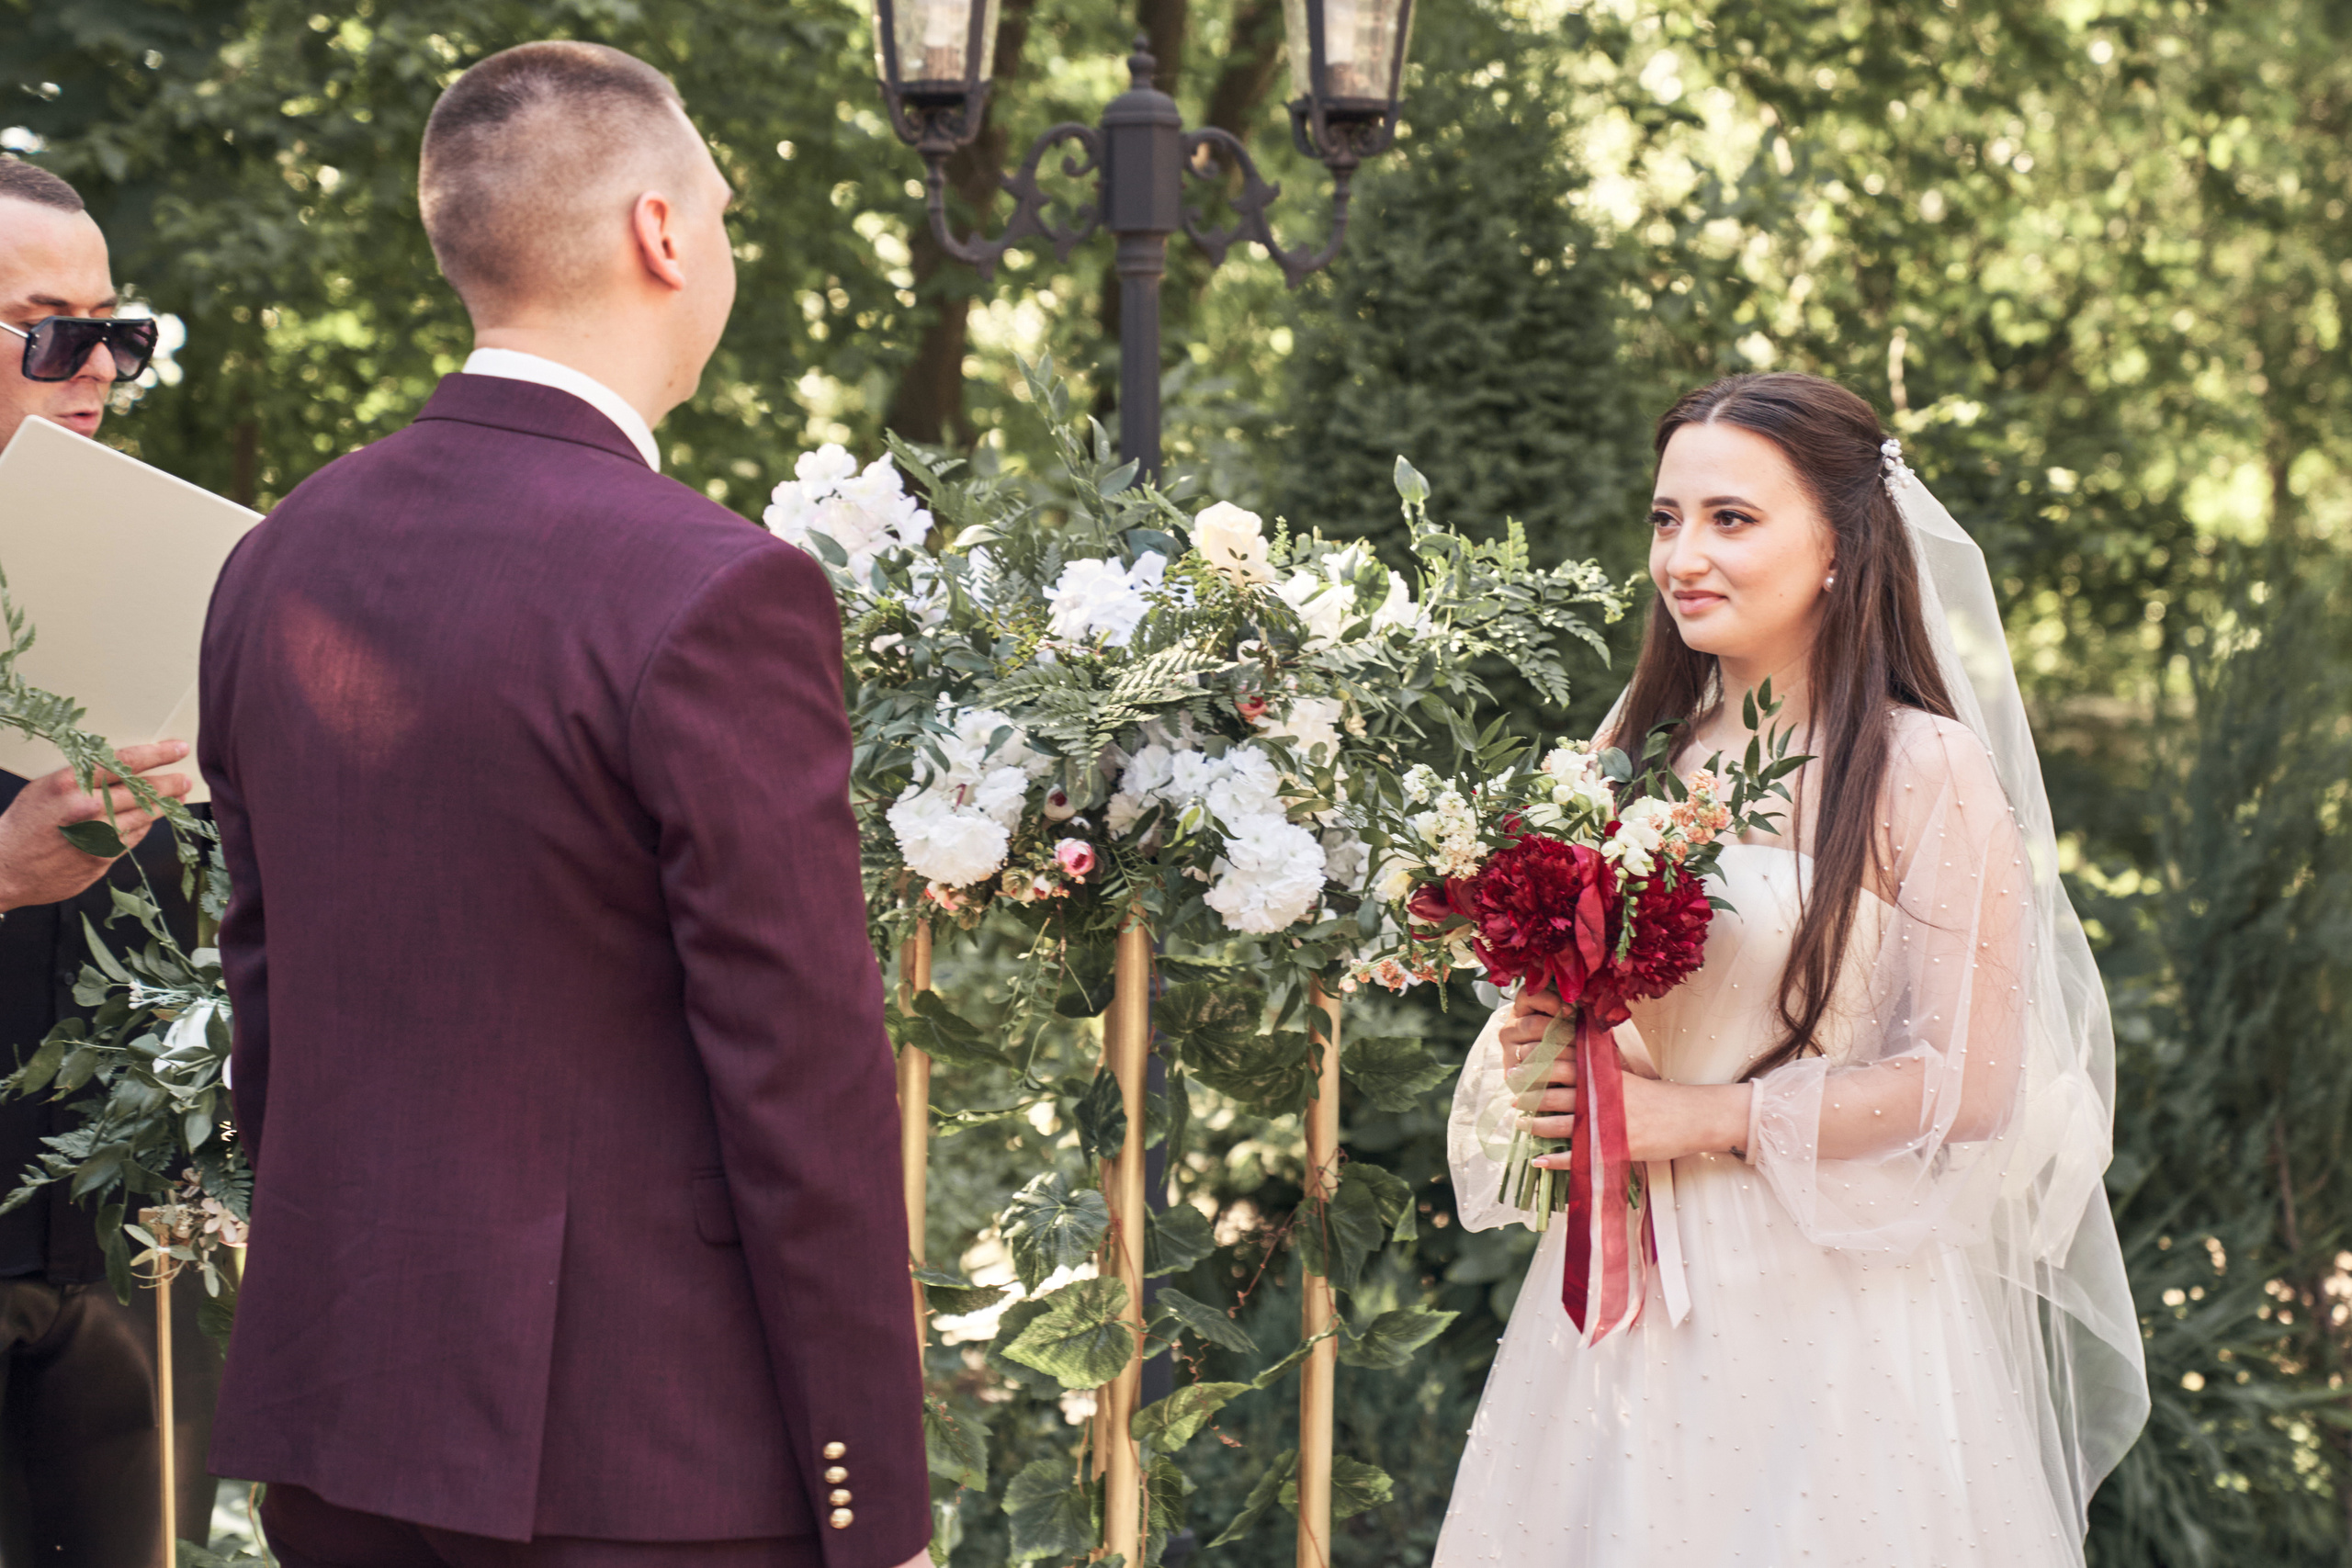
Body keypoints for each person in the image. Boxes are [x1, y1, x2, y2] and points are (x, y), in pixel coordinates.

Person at [198, 42, 929, 1568]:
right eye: (721, 211)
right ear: (661, 233)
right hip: (648, 1464)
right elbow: (801, 1077)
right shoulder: (718, 590)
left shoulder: (279, 560)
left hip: (344, 1427)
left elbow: (267, 1006)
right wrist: (873, 1502)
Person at [1433, 372, 2147, 1567]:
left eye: (1731, 518)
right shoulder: (1634, 749)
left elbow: (1970, 1088)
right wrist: (1552, 1043)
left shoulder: (1925, 769)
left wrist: (1695, 1116)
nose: (1683, 555)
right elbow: (1584, 989)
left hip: (1834, 1301)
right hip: (1628, 1299)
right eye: (1666, 518)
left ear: (1837, 545)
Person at [0, 154, 216, 1568]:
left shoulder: (165, 556)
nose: (97, 368)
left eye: (118, 334)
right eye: (49, 329)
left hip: (129, 1267)